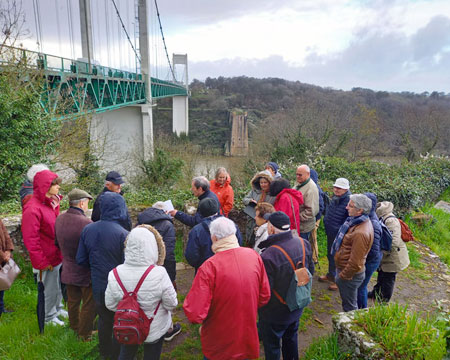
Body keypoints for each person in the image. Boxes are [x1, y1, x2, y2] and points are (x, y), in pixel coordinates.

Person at [183, 217, 271, 360]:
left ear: (214, 237)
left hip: (219, 339)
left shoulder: (209, 267)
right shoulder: (253, 256)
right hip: (246, 333)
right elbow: (264, 295)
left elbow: (195, 313)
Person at [105, 226, 178, 360]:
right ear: (153, 247)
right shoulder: (160, 273)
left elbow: (110, 305)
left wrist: (131, 310)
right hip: (154, 328)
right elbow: (171, 304)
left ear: (127, 246)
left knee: (126, 353)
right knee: (152, 355)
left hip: (128, 325)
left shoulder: (114, 274)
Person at [77, 192, 129, 360]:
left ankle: (104, 353)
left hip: (98, 283)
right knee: (120, 320)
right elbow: (127, 264)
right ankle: (117, 354)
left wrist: (96, 269)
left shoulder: (88, 229)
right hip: (119, 285)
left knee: (104, 320)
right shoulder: (123, 233)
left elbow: (81, 259)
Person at [258, 212, 314, 360]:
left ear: (270, 229)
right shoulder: (303, 243)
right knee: (291, 340)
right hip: (297, 304)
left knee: (272, 347)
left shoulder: (269, 255)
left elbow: (265, 290)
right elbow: (311, 272)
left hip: (275, 313)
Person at [21, 169, 66, 326]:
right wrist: (40, 262)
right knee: (48, 289)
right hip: (46, 257)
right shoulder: (32, 209)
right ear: (45, 186)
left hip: (56, 254)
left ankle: (57, 309)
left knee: (58, 286)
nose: (58, 187)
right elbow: (30, 239)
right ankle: (48, 317)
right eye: (54, 184)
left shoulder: (51, 202)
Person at [136, 201, 181, 341]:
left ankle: (143, 326)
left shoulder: (140, 223)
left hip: (142, 266)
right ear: (165, 211)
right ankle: (168, 330)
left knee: (145, 298)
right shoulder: (167, 225)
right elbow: (169, 252)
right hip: (161, 267)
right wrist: (171, 275)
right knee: (165, 299)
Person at [54, 188, 96, 340]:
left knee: (72, 301)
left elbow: (56, 243)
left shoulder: (59, 219)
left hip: (67, 268)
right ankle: (84, 334)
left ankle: (74, 327)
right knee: (88, 304)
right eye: (86, 203)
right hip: (84, 270)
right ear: (82, 203)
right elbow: (92, 249)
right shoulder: (86, 223)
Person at [332, 194, 374, 312]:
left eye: (350, 206)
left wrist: (342, 276)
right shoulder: (356, 221)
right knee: (349, 302)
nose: (346, 207)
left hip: (350, 276)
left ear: (360, 210)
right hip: (348, 272)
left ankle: (349, 327)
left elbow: (356, 262)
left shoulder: (360, 233)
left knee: (350, 307)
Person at [185, 198, 243, 272]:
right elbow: (239, 244)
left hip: (205, 270)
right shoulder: (231, 225)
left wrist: (200, 265)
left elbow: (191, 256)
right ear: (217, 209)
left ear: (200, 212)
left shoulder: (196, 231)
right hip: (230, 268)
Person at [369, 201, 410, 303]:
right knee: (381, 275)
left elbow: (394, 242)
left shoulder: (391, 221)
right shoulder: (382, 217)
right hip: (386, 254)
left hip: (393, 256)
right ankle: (376, 293)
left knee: (388, 279)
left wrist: (383, 253)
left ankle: (384, 300)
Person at [320, 178, 351, 291]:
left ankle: (339, 281)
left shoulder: (349, 201)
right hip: (331, 233)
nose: (336, 190)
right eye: (335, 187)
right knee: (330, 255)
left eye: (339, 188)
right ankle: (331, 274)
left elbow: (349, 220)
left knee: (339, 258)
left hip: (340, 236)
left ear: (346, 189)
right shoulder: (335, 198)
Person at [357, 192, 382, 309]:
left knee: (361, 286)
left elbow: (374, 251)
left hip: (370, 261)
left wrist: (362, 261)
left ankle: (361, 310)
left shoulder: (373, 223)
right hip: (367, 259)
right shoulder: (366, 217)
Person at [243, 170, 276, 247]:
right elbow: (245, 199)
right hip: (252, 219)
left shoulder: (273, 195)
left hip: (264, 222)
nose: (263, 185)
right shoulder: (255, 191)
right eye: (261, 183)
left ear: (270, 183)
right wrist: (250, 201)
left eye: (265, 182)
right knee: (250, 239)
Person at [294, 165, 319, 241]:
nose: (298, 176)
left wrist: (295, 218)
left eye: (300, 175)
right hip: (297, 225)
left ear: (308, 174)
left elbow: (311, 211)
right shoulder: (299, 183)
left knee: (301, 248)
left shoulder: (311, 189)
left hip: (303, 228)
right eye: (297, 174)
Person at [0, 218, 14, 317]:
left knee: (1, 283)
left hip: (3, 258)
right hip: (1, 256)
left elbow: (5, 233)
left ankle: (1, 307)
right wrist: (2, 255)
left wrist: (8, 250)